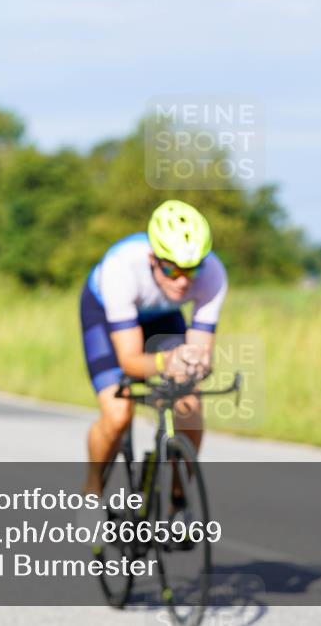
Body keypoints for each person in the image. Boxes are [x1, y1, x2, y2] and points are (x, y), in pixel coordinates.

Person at [81, 200, 228, 498]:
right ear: (152, 259)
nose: (183, 281)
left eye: (191, 270)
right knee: (118, 414)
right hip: (106, 316)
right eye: (171, 270)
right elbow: (130, 362)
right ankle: (93, 488)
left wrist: (195, 364)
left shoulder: (213, 274)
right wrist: (166, 362)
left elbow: (201, 353)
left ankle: (177, 497)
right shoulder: (121, 268)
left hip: (163, 316)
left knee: (189, 405)